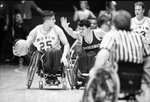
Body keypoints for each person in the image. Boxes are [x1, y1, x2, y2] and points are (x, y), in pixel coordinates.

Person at [89, 10, 150, 101]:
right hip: (136, 81)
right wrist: (142, 71)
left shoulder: (112, 35)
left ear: (114, 24)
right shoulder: (139, 37)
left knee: (93, 72)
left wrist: (96, 71)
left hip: (116, 79)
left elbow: (103, 54)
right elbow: (148, 60)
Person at [14, 10, 70, 85]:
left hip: (57, 57)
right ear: (47, 21)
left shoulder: (57, 29)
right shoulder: (35, 31)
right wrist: (19, 50)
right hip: (43, 59)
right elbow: (27, 44)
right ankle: (50, 77)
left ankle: (53, 76)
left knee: (56, 50)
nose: (55, 20)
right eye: (53, 19)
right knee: (48, 51)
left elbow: (66, 44)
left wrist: (64, 56)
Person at [60, 17, 105, 85]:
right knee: (81, 55)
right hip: (86, 53)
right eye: (80, 29)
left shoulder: (98, 33)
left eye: (83, 29)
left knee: (91, 55)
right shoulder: (80, 36)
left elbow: (109, 37)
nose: (80, 31)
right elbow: (71, 32)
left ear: (89, 28)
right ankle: (83, 75)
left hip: (98, 53)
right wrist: (65, 27)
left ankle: (90, 76)